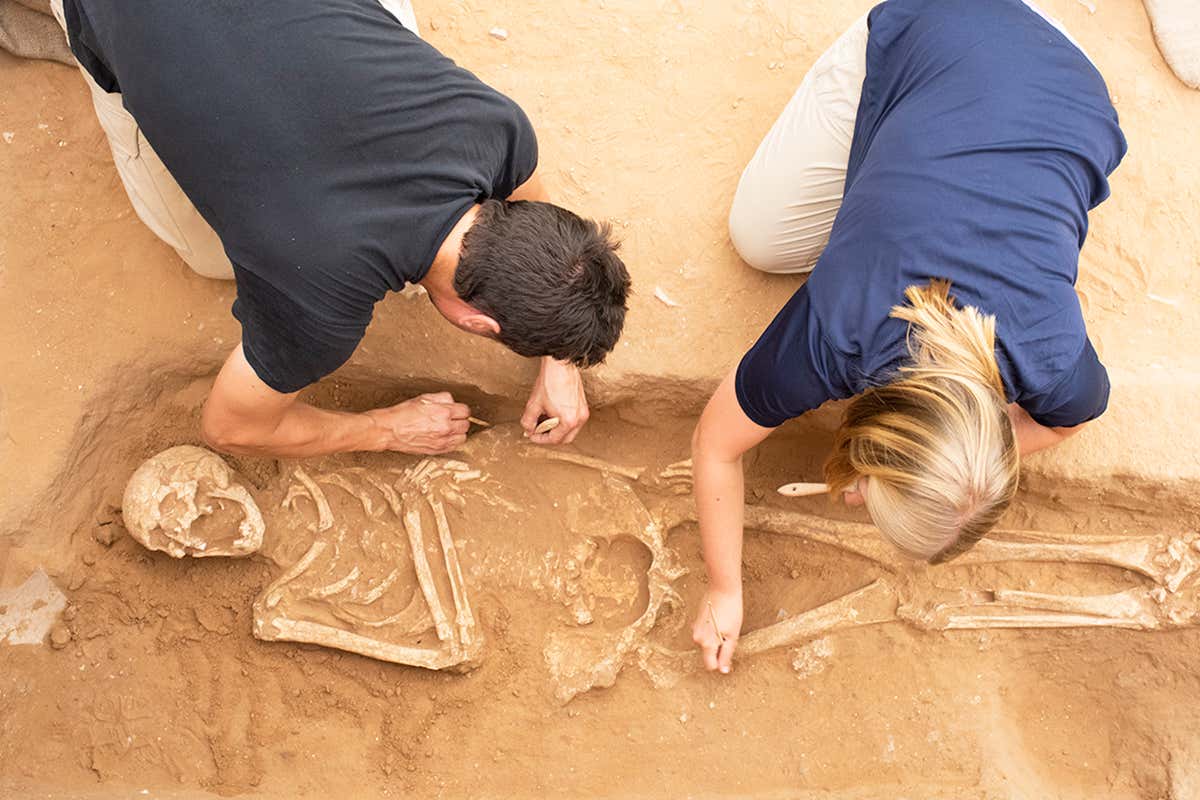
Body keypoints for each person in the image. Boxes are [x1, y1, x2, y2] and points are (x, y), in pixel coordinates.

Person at [691, 0, 1126, 673]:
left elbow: (1070, 420)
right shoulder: (841, 328)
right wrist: (724, 588)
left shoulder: (1053, 357)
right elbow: (716, 444)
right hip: (939, 26)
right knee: (762, 240)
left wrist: (916, 467)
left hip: (1066, 79)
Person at [50, 0, 630, 457]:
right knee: (211, 259)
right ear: (476, 323)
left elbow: (538, 211)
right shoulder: (318, 303)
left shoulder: (495, 128)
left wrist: (560, 356)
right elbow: (230, 427)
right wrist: (385, 428)